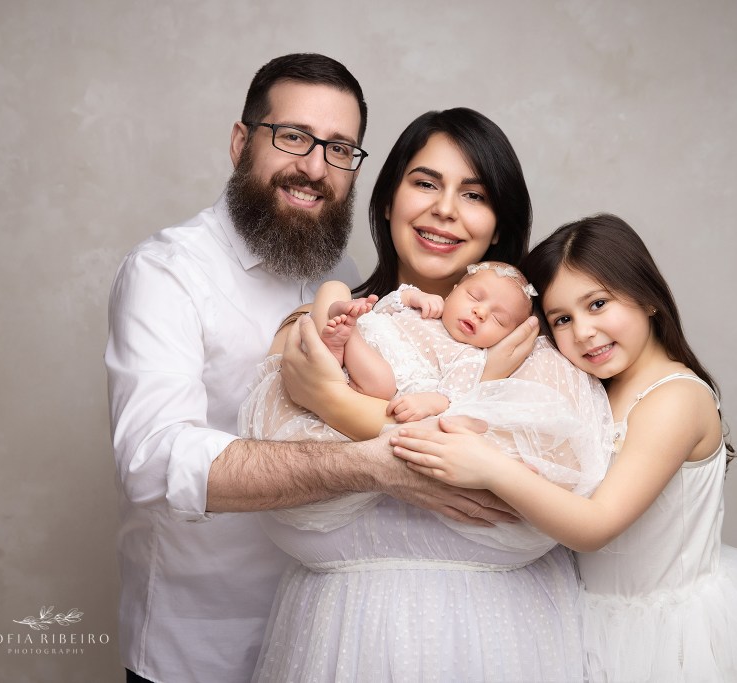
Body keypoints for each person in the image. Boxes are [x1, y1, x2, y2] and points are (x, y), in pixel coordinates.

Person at [105, 54, 521, 683]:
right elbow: (151, 460)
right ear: (242, 141)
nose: (314, 167)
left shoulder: (348, 279)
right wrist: (373, 464)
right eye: (294, 136)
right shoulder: (168, 272)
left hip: (339, 631)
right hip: (201, 644)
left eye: (340, 149)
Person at [247, 109, 613, 682]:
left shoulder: (544, 348)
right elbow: (278, 473)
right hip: (335, 640)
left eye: (474, 193)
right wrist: (335, 302)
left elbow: (552, 484)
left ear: (499, 225)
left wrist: (337, 405)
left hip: (508, 645)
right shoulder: (323, 325)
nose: (445, 208)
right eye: (424, 183)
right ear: (387, 200)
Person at [391, 214, 737, 682]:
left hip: (669, 635)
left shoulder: (675, 398)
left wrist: (490, 467)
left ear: (645, 296)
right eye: (562, 318)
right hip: (591, 619)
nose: (582, 332)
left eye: (598, 304)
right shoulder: (593, 390)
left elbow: (595, 526)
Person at [312, 261, 540, 422]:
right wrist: (411, 297)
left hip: (379, 373)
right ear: (452, 293)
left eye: (498, 319)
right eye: (474, 297)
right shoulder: (431, 308)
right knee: (337, 293)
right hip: (369, 331)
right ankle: (342, 320)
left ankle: (345, 337)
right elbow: (383, 308)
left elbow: (452, 398)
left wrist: (429, 402)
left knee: (382, 383)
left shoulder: (470, 357)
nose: (480, 312)